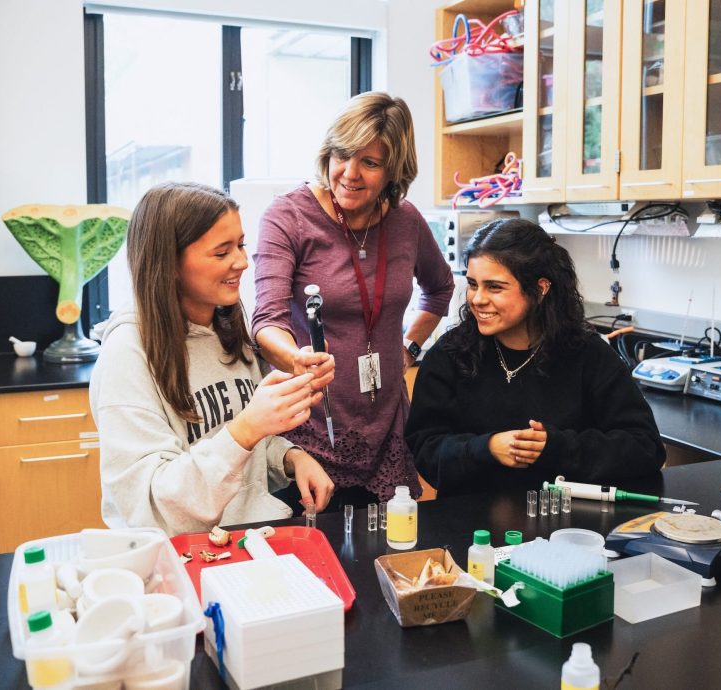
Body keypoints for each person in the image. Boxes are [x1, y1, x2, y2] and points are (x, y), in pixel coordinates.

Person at [90, 182, 335, 536]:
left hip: (250, 540)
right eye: (222, 253)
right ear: (169, 263)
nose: (242, 262)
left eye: (241, 245)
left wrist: (289, 457)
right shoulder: (127, 356)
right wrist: (248, 427)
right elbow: (154, 508)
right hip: (176, 560)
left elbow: (234, 440)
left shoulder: (227, 325)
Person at [252, 91, 454, 507]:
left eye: (371, 163)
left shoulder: (407, 221)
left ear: (395, 170)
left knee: (383, 552)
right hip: (308, 425)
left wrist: (409, 348)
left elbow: (440, 289)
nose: (350, 173)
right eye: (342, 155)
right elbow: (266, 321)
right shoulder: (288, 216)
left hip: (386, 427)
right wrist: (297, 360)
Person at [405, 218, 664, 498]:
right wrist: (487, 448)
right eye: (472, 284)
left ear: (540, 289)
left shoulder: (588, 354)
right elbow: (425, 449)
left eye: (494, 287)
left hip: (568, 527)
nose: (477, 299)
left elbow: (645, 448)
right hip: (470, 526)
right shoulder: (451, 353)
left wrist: (553, 447)